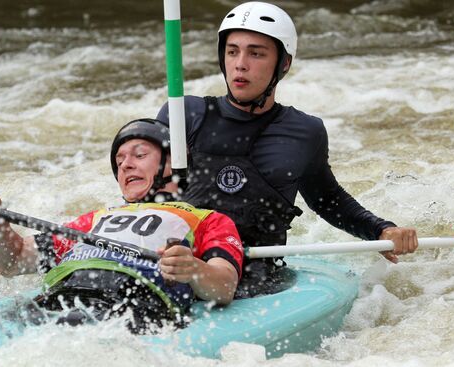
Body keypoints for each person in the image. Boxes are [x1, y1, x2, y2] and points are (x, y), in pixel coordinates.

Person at [156, 2, 418, 297]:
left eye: (256, 53)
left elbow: (328, 200)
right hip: (176, 264)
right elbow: (143, 194)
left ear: (284, 63)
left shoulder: (304, 131)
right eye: (232, 51)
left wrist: (381, 230)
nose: (240, 63)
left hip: (256, 272)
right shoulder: (183, 114)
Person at [0, 118, 243, 333]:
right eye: (120, 161)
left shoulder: (209, 219)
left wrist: (195, 269)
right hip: (62, 299)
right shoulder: (94, 219)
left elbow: (225, 286)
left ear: (172, 162)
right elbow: (11, 263)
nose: (125, 166)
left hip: (136, 304)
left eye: (139, 155)